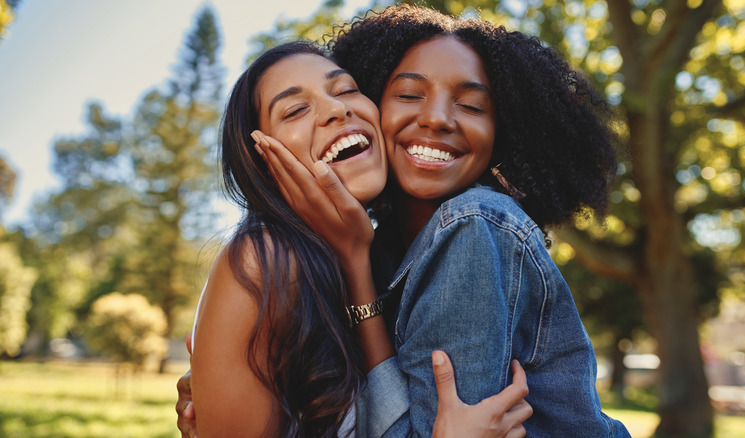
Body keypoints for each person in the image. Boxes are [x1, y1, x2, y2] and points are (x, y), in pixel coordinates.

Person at [253, 5, 632, 437]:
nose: (436, 118)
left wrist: (354, 265)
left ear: (501, 133)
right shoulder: (377, 248)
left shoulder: (472, 227)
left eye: (471, 105)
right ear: (372, 107)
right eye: (410, 95)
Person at [186, 40, 532, 437]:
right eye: (296, 110)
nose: (337, 109)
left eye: (347, 89)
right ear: (262, 162)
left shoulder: (385, 254)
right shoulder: (263, 260)